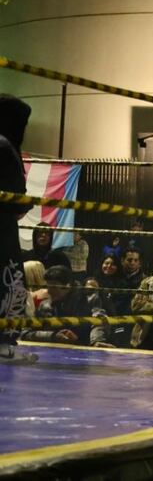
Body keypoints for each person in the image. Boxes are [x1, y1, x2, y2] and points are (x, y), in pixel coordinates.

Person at [0, 94, 33, 356]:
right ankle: (3, 342)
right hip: (3, 227)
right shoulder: (5, 147)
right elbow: (17, 197)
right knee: (10, 280)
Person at [22, 265, 112, 347]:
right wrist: (53, 336)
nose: (49, 291)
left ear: (68, 285)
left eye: (54, 287)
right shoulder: (44, 306)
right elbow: (26, 333)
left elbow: (100, 321)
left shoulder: (90, 300)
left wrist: (96, 341)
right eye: (48, 286)